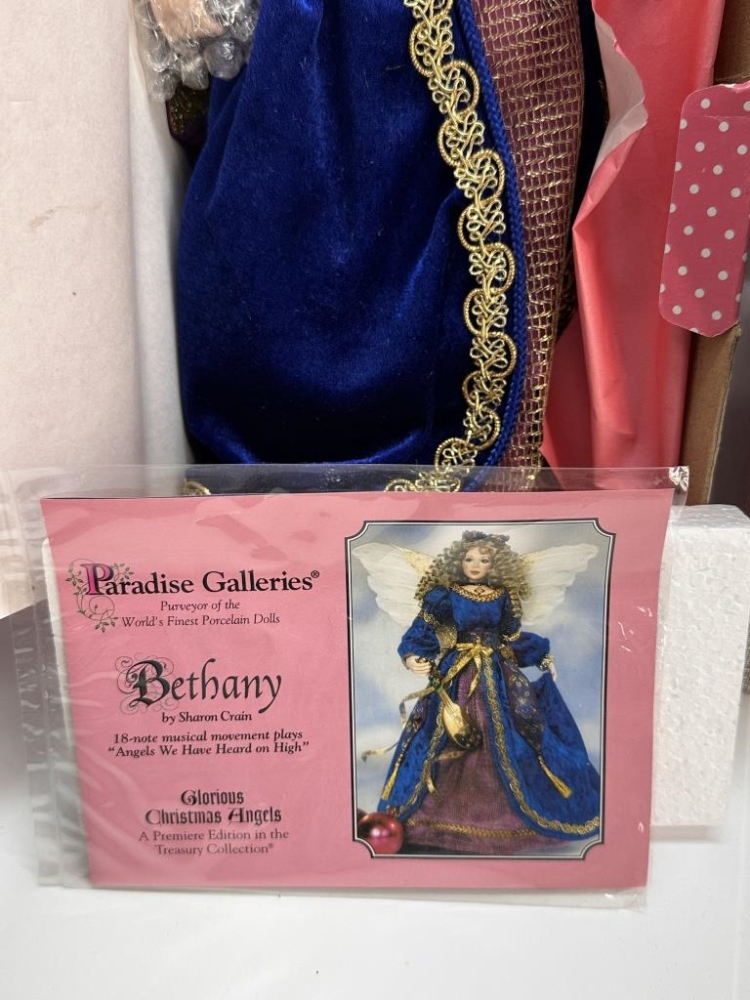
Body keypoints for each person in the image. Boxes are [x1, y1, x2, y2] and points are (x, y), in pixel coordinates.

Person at [378, 531, 600, 855]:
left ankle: (505, 817)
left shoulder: (503, 596)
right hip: (457, 672)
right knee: (447, 734)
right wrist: (414, 655)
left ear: (495, 565)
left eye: (483, 559)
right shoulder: (444, 595)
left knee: (504, 733)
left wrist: (541, 654)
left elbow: (510, 639)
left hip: (496, 674)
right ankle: (436, 817)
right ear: (458, 561)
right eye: (469, 558)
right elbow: (422, 629)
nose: (475, 564)